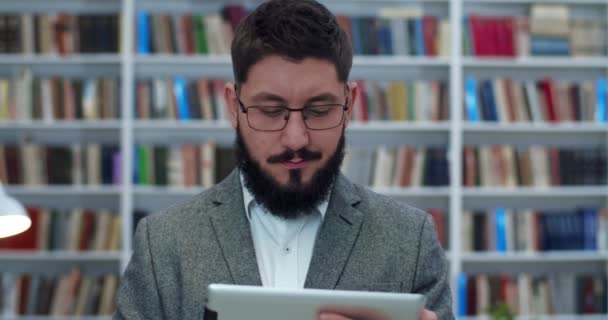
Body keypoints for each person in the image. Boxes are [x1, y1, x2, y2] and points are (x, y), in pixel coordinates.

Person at [114, 0, 453, 319]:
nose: (295, 138)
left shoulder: (411, 241)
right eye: (271, 111)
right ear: (234, 107)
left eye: (319, 111)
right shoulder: (163, 244)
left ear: (349, 105)